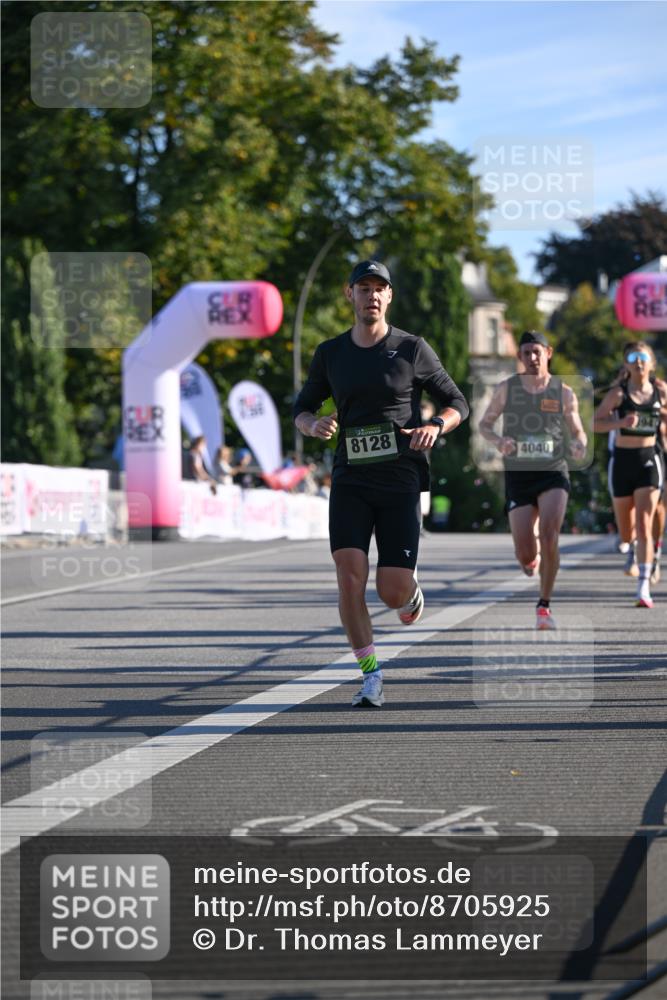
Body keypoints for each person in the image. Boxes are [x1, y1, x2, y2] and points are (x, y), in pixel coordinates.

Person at [293, 259, 469, 708]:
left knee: (389, 591)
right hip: (351, 477)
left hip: (401, 479)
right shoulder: (330, 353)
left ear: (389, 297)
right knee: (349, 578)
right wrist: (313, 425)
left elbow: (456, 401)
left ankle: (409, 591)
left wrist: (437, 425)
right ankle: (371, 674)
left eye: (379, 288)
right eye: (363, 287)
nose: (371, 294)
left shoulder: (411, 349)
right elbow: (303, 407)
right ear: (347, 295)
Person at [479, 330, 588, 630]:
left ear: (548, 353)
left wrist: (580, 443)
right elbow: (484, 424)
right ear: (520, 357)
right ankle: (531, 560)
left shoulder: (563, 391)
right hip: (519, 475)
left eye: (537, 351)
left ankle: (544, 605)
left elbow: (578, 430)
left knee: (550, 535)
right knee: (526, 552)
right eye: (526, 352)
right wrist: (499, 441)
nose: (532, 358)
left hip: (553, 470)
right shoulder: (507, 389)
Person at [594, 342, 666, 608]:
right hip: (622, 463)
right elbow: (594, 422)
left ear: (651, 363)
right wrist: (619, 423)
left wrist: (662, 415)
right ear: (626, 365)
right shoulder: (618, 394)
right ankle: (629, 545)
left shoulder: (660, 390)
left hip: (649, 459)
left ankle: (644, 586)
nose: (639, 363)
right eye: (633, 358)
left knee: (646, 523)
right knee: (627, 533)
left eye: (643, 357)